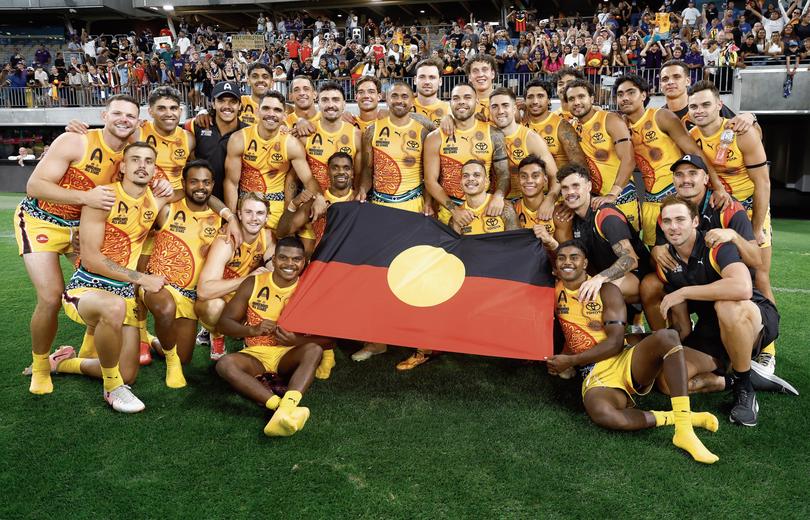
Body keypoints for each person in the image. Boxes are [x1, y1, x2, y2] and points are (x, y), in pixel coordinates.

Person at [16, 95, 160, 395]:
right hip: (42, 219)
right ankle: (42, 367)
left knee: (105, 284)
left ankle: (84, 352)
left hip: (81, 227)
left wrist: (161, 184)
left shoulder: (129, 153)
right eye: (117, 113)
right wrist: (85, 198)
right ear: (103, 115)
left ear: (137, 122)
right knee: (51, 296)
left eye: (130, 116)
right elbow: (34, 186)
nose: (123, 119)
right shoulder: (76, 141)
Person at [547, 239, 720, 464]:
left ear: (585, 263)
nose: (567, 262)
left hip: (622, 356)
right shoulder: (551, 291)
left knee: (668, 336)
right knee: (604, 414)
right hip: (594, 371)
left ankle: (684, 430)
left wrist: (571, 360)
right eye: (562, 258)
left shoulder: (606, 289)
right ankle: (672, 417)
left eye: (574, 257)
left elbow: (616, 343)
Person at [57, 142, 172, 412]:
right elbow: (92, 258)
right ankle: (112, 388)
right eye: (135, 160)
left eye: (148, 161)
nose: (142, 165)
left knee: (129, 373)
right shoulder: (103, 197)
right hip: (87, 288)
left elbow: (192, 193)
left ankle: (63, 363)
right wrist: (141, 278)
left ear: (155, 169)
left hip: (122, 293)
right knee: (114, 306)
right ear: (122, 167)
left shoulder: (154, 200)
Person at [656, 196, 784, 427]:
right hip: (711, 328)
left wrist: (684, 291)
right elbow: (684, 326)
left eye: (680, 219)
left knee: (725, 306)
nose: (673, 226)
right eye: (667, 221)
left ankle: (745, 390)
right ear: (661, 224)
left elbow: (742, 288)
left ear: (695, 221)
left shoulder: (714, 245)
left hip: (753, 316)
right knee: (669, 381)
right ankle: (732, 379)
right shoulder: (667, 262)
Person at [686, 80, 777, 372]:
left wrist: (757, 225)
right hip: (715, 211)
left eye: (705, 104)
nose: (699, 111)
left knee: (760, 275)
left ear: (719, 105)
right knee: (717, 269)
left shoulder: (741, 132)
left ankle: (767, 349)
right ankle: (718, 337)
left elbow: (762, 183)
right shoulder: (690, 136)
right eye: (694, 106)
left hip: (749, 209)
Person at [216, 236, 332, 437]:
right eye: (283, 258)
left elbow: (330, 339)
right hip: (255, 356)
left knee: (314, 350)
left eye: (296, 259)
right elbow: (224, 323)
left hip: (289, 356)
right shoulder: (254, 283)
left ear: (304, 262)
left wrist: (296, 341)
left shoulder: (309, 289)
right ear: (274, 259)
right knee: (224, 364)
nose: (289, 264)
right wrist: (252, 330)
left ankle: (284, 407)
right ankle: (282, 408)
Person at [614, 74, 728, 247]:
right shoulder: (620, 126)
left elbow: (695, 152)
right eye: (620, 94)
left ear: (643, 95)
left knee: (690, 255)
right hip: (651, 202)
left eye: (630, 92)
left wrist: (718, 186)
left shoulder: (661, 117)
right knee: (657, 259)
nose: (625, 98)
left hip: (678, 200)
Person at [142, 160, 223, 387]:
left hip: (190, 294)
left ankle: (153, 340)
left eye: (206, 182)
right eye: (194, 181)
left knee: (185, 357)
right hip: (159, 284)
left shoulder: (221, 219)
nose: (200, 187)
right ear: (184, 184)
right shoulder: (167, 209)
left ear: (213, 185)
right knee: (166, 310)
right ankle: (171, 364)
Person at [224, 91, 326, 232]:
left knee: (274, 250)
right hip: (246, 206)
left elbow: (308, 179)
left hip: (276, 209)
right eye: (266, 108)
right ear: (257, 111)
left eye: (277, 110)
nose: (271, 114)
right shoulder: (239, 139)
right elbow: (231, 183)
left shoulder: (291, 144)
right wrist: (232, 219)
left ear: (284, 116)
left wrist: (320, 197)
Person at [195, 193, 276, 360]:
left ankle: (249, 335)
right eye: (248, 212)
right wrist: (248, 279)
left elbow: (274, 273)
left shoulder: (267, 237)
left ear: (267, 217)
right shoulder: (227, 241)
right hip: (217, 299)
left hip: (242, 300)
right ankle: (215, 334)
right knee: (215, 307)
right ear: (239, 214)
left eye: (260, 213)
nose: (254, 218)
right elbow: (203, 291)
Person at [554, 163, 649, 304]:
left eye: (576, 186)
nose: (570, 192)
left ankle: (629, 322)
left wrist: (599, 279)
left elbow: (630, 260)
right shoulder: (571, 217)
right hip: (603, 274)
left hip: (636, 275)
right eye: (565, 188)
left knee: (602, 290)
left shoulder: (606, 215)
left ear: (589, 186)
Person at [424, 83, 509, 228]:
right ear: (450, 103)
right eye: (456, 98)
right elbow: (430, 181)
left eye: (467, 97)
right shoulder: (435, 137)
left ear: (476, 101)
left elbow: (504, 174)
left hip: (485, 209)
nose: (461, 101)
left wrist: (499, 196)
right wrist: (455, 210)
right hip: (448, 210)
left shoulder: (493, 134)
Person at [565, 79, 640, 231]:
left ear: (592, 99)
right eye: (571, 99)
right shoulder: (572, 127)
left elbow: (629, 159)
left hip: (620, 198)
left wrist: (612, 194)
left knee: (630, 250)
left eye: (581, 97)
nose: (577, 102)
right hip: (593, 201)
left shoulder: (610, 119)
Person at [358, 82, 435, 215]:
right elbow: (367, 170)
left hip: (414, 205)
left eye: (404, 96)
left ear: (412, 101)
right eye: (394, 96)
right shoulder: (371, 131)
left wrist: (428, 203)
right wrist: (363, 190)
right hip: (380, 205)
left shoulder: (423, 132)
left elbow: (429, 175)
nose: (399, 100)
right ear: (387, 99)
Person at [487, 86, 559, 203]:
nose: (500, 111)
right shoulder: (486, 135)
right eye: (495, 106)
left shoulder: (531, 138)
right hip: (497, 204)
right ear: (490, 110)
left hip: (527, 203)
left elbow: (555, 176)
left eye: (505, 105)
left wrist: (549, 202)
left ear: (514, 108)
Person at [277, 151, 355, 246]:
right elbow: (282, 233)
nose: (341, 172)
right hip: (322, 258)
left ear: (352, 173)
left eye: (346, 168)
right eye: (335, 168)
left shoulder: (359, 200)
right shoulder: (314, 202)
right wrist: (293, 204)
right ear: (328, 172)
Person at [658, 60, 757, 134]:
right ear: (660, 85)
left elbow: (752, 134)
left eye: (676, 77)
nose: (670, 82)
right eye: (665, 79)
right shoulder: (658, 118)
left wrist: (750, 117)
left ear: (688, 81)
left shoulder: (709, 106)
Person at [522, 79, 586, 169]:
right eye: (530, 97)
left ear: (548, 100)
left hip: (558, 181)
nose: (535, 101)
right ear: (525, 101)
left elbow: (579, 166)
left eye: (540, 96)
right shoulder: (520, 125)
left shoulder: (562, 126)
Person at [450, 159, 520, 235]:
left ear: (486, 181)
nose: (470, 178)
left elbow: (515, 242)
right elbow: (456, 246)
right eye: (465, 176)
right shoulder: (457, 217)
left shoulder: (504, 207)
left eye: (476, 175)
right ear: (460, 183)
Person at [513, 155, 558, 252]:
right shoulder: (511, 210)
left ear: (545, 180)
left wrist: (551, 242)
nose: (529, 180)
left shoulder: (560, 211)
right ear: (518, 180)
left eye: (535, 176)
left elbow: (569, 254)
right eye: (524, 176)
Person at [412, 58, 451, 126]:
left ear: (440, 81)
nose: (427, 82)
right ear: (415, 80)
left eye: (432, 77)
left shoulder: (449, 110)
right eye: (422, 77)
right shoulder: (404, 107)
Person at [238, 62, 273, 126]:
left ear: (271, 82)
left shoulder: (280, 107)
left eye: (265, 77)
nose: (260, 80)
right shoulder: (239, 101)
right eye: (255, 77)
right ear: (248, 81)